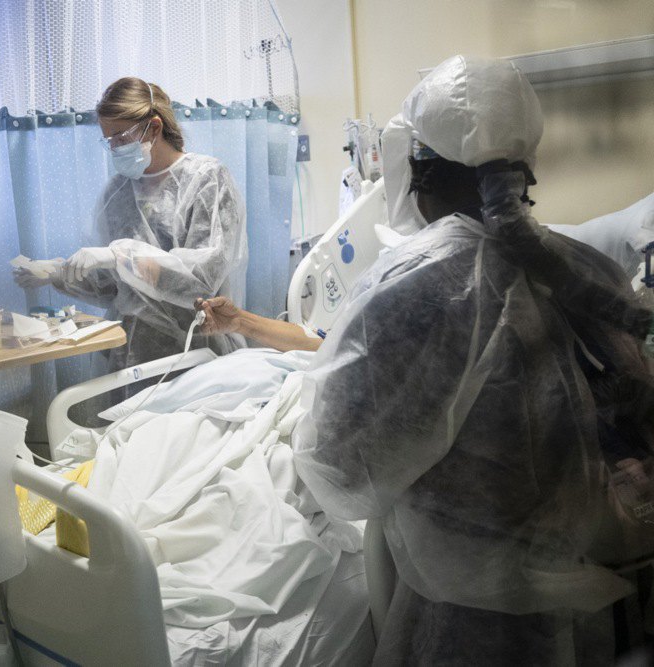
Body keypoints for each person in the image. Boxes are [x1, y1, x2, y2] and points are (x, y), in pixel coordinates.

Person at [201, 55, 654, 664]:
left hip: (481, 619)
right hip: (603, 601)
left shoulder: (416, 287)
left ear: (421, 173)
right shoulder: (590, 271)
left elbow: (340, 472)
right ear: (524, 172)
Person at [13, 77, 248, 371]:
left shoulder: (206, 179)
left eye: (121, 138)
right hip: (132, 352)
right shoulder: (118, 192)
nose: (115, 147)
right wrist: (60, 272)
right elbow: (111, 286)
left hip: (197, 346)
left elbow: (201, 276)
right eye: (109, 141)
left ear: (154, 128)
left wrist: (121, 256)